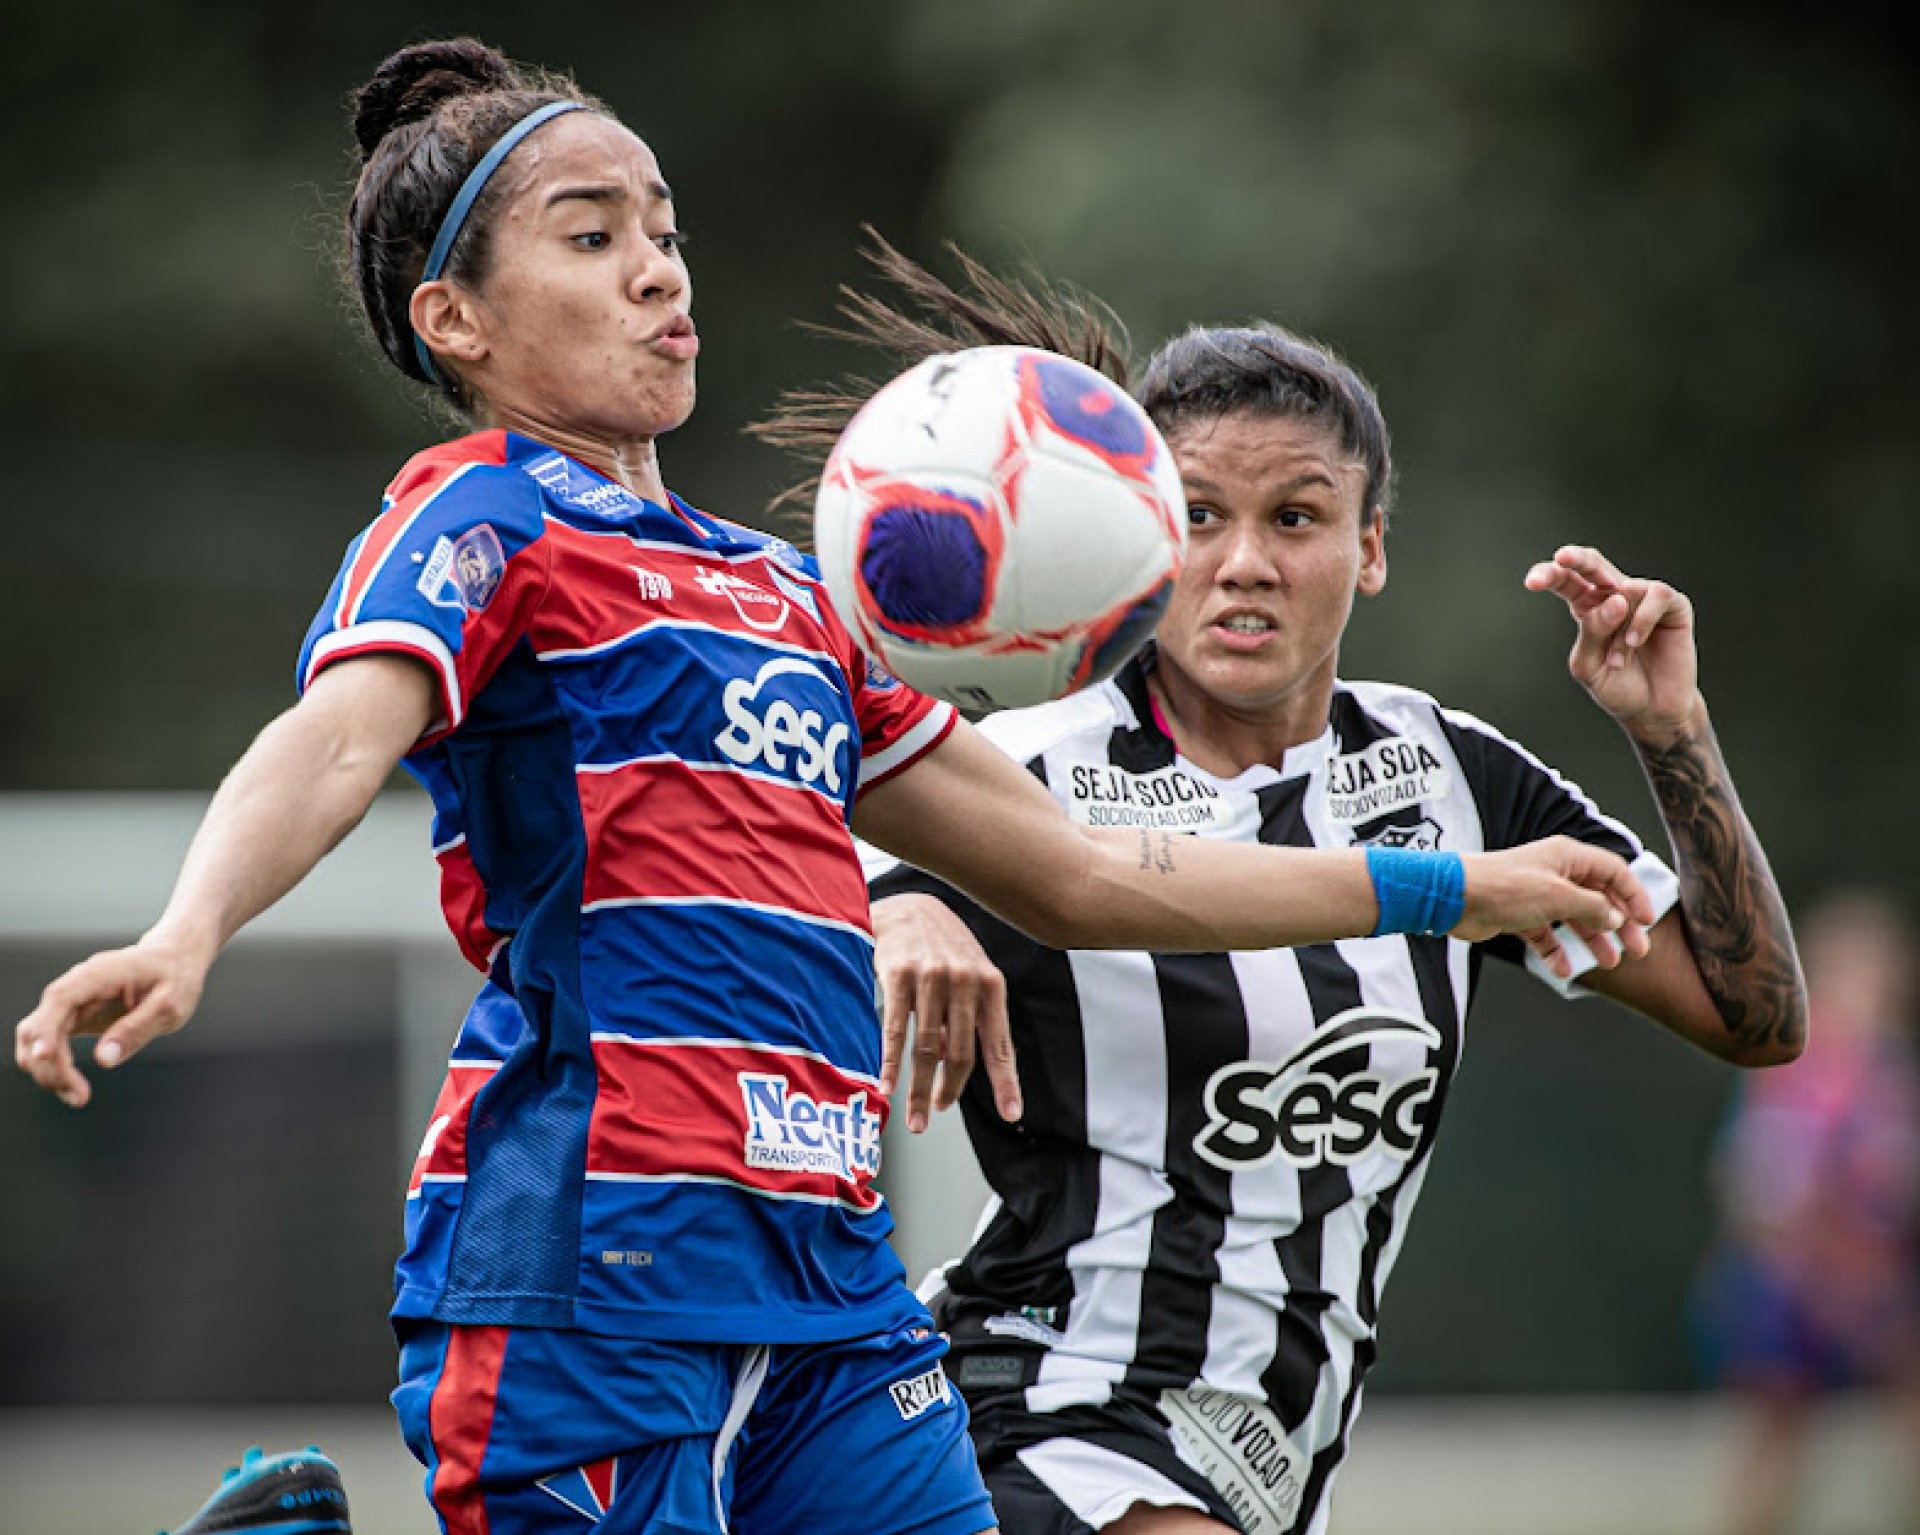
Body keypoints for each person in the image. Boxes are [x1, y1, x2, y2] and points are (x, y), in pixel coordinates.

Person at [9, 39, 1658, 1535]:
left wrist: (1453, 884)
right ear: (459, 320)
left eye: (663, 228)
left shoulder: (788, 595)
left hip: (831, 1281)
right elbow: (334, 736)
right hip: (596, 1267)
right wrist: (191, 928)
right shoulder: (480, 524)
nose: (658, 268)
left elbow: (1089, 878)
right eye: (592, 238)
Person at [752, 237, 1808, 1535]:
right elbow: (815, 860)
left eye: (1294, 517)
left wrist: (1670, 726)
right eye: (1198, 515)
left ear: (1369, 550)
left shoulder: (1450, 773)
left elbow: (1751, 1016)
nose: (1244, 560)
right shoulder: (1031, 757)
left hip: (1270, 1450)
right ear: (1141, 536)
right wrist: (901, 904)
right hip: (1044, 1396)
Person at [1693, 887, 1920, 1535]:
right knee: (1773, 1441)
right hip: (1792, 1282)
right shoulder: (1796, 1061)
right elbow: (1760, 1186)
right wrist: (1817, 1271)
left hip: (1865, 1278)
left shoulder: (1887, 1068)